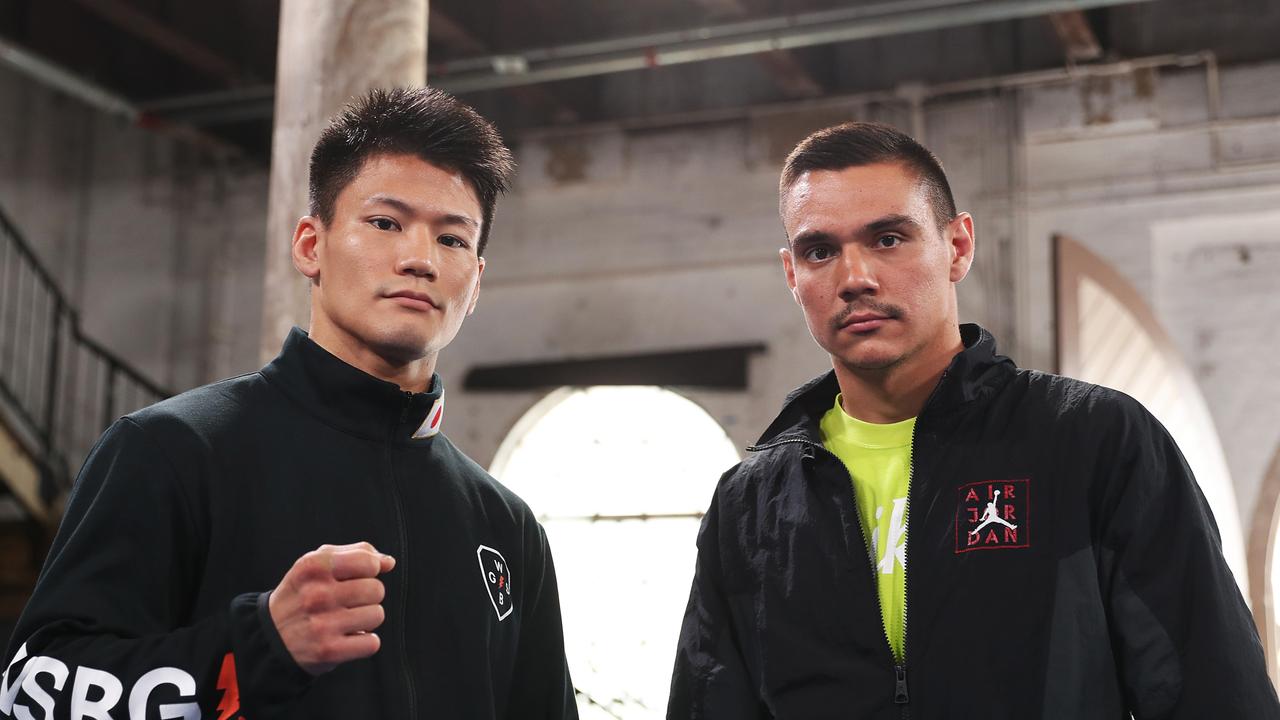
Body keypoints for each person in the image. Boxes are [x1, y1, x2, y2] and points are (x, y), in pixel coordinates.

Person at [667, 121, 1279, 719]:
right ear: (792, 275)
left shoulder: (1093, 440)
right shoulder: (748, 506)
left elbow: (1212, 690)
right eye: (820, 250)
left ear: (957, 246)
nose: (855, 278)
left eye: (888, 239)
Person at [2, 87, 577, 719]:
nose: (419, 259)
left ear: (475, 285)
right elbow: (32, 693)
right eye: (385, 223)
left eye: (453, 240)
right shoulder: (170, 450)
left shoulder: (508, 528)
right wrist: (256, 648)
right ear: (311, 246)